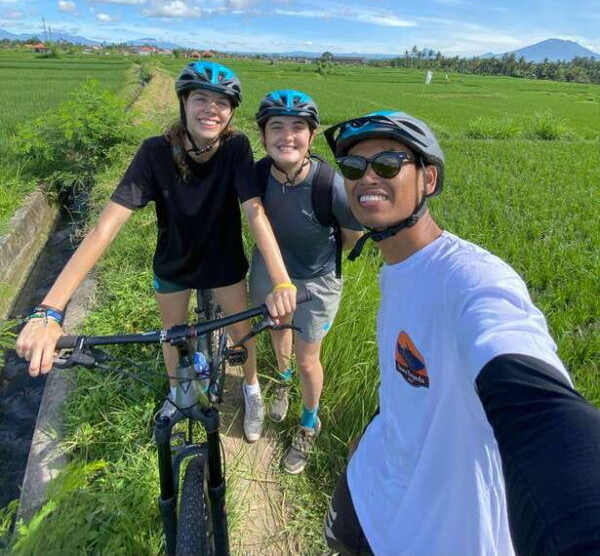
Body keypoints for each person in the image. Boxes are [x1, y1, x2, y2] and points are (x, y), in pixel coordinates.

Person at [322, 110, 600, 556]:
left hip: (442, 533)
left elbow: (541, 409)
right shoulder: (399, 268)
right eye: (354, 167)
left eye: (388, 164)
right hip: (374, 491)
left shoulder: (471, 279)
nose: (367, 177)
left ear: (428, 179)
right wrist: (379, 431)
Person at [15, 61, 298, 442]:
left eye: (222, 102)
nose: (211, 109)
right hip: (174, 261)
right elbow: (104, 229)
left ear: (231, 112)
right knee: (172, 337)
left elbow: (254, 210)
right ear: (183, 102)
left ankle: (251, 389)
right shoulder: (154, 152)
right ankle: (178, 393)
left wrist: (281, 280)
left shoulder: (236, 147)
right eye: (201, 99)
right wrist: (49, 311)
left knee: (241, 332)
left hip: (223, 260)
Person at [249, 89, 362, 473]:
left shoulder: (330, 184)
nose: (287, 136)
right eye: (276, 127)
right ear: (263, 135)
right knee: (277, 329)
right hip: (269, 271)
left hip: (317, 281)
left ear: (312, 136)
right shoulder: (256, 176)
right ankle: (282, 382)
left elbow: (352, 235)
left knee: (308, 358)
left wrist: (317, 263)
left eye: (298, 127)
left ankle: (309, 424)